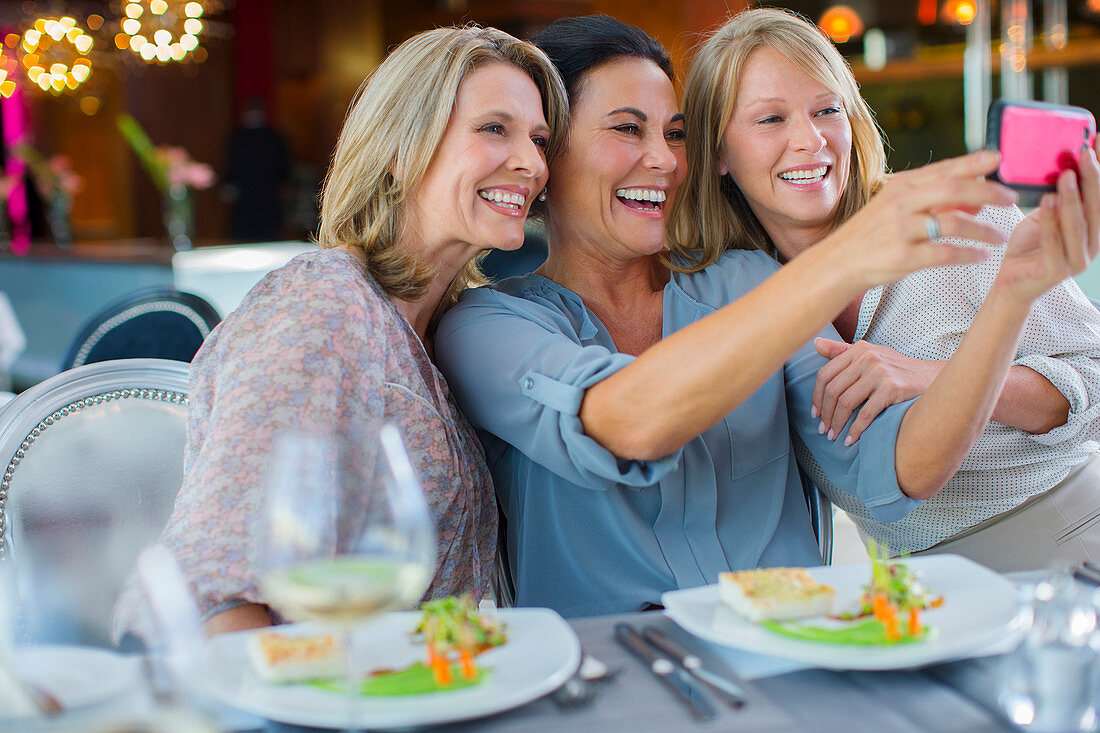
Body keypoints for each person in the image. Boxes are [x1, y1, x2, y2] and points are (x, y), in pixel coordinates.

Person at [432, 15, 1076, 618]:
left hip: (794, 654)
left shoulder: (750, 282)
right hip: (612, 684)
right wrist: (845, 262)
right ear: (549, 160)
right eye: (628, 129)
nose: (663, 159)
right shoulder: (485, 327)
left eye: (675, 133)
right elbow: (626, 423)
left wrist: (1014, 293)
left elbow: (903, 467)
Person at [114, 25, 568, 638]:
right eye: (495, 128)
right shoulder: (324, 307)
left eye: (539, 139)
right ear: (404, 144)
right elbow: (215, 592)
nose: (531, 162)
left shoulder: (442, 326)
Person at [672, 7, 1100, 571]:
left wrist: (924, 374)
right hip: (919, 587)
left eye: (827, 110)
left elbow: (1094, 374)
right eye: (770, 119)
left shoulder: (954, 217)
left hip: (1075, 537)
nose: (810, 140)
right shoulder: (735, 295)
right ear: (718, 152)